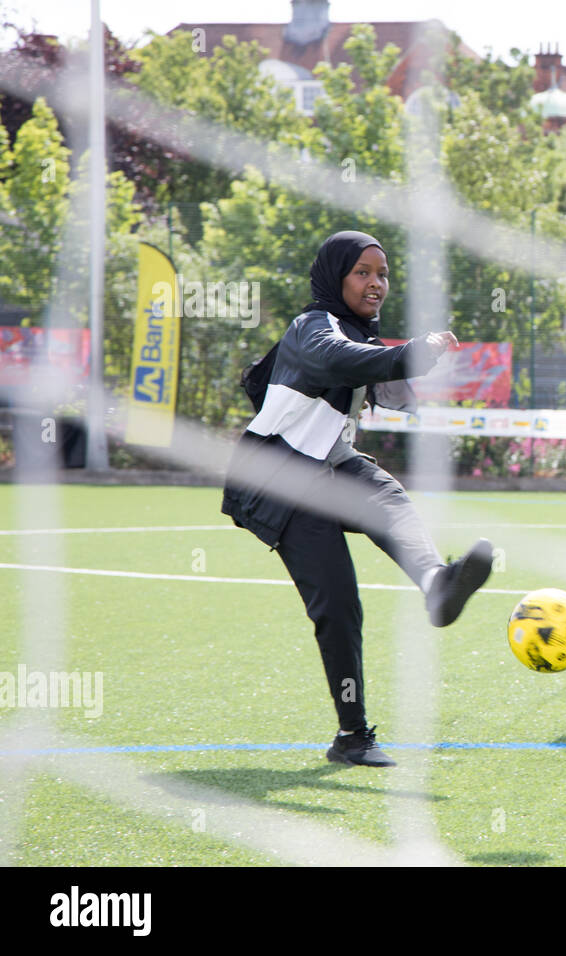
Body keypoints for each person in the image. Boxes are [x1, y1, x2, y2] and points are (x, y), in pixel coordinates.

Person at [221, 231, 494, 768]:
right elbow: (346, 359)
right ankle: (352, 737)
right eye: (362, 273)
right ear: (335, 276)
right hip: (281, 481)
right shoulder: (312, 327)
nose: (376, 284)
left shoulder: (356, 333)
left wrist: (409, 362)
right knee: (340, 607)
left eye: (383, 274)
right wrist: (411, 355)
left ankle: (438, 586)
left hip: (329, 466)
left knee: (388, 496)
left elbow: (369, 368)